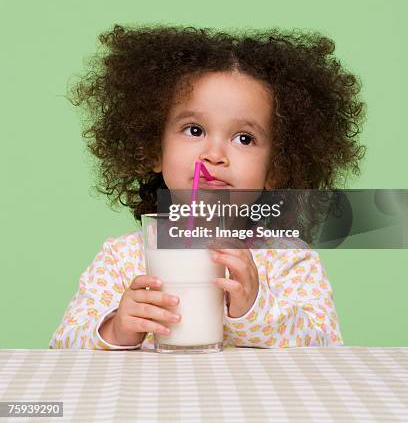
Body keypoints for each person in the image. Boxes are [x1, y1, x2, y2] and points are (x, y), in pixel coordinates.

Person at [49, 24, 366, 350]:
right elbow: (62, 346)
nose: (214, 155)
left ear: (277, 168)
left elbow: (326, 347)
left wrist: (256, 306)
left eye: (244, 138)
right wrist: (116, 329)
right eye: (194, 130)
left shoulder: (289, 260)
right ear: (153, 150)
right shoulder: (121, 259)